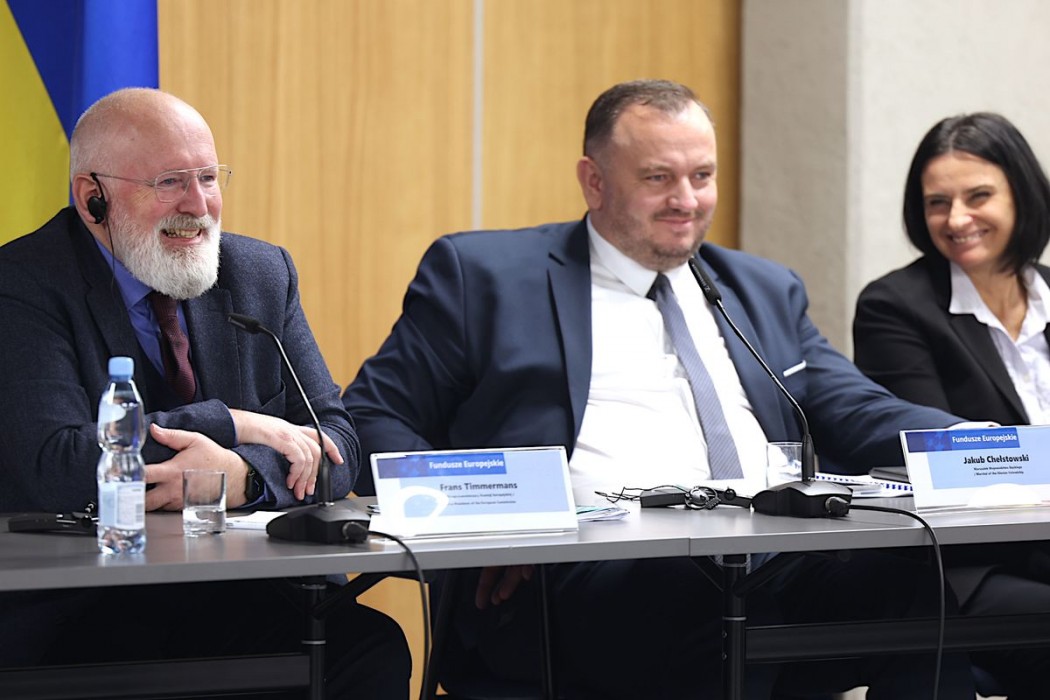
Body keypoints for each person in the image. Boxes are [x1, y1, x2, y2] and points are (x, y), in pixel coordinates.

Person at [345, 79, 977, 698]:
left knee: (912, 588)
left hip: (768, 552)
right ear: (594, 181)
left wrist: (981, 444)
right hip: (587, 571)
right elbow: (372, 416)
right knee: (708, 603)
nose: (687, 200)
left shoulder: (761, 287)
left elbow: (853, 404)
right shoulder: (485, 277)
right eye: (658, 178)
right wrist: (490, 518)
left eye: (702, 176)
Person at [0, 88, 410, 698]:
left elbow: (338, 444)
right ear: (93, 197)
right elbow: (57, 464)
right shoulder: (22, 284)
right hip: (88, 603)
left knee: (369, 648)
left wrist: (241, 476)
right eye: (169, 182)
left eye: (209, 178)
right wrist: (236, 423)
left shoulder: (260, 274)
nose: (198, 205)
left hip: (246, 586)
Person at [853, 111, 1050, 699]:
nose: (957, 219)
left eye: (978, 196)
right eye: (938, 203)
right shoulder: (895, 307)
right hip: (971, 569)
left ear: (1023, 194)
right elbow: (953, 467)